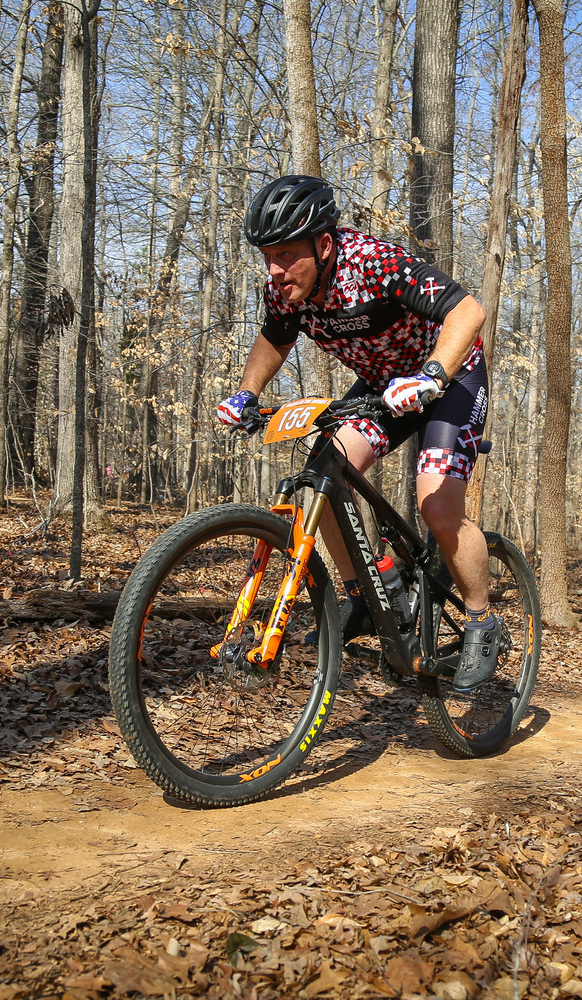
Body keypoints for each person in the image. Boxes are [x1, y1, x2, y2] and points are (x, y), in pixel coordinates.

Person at [216, 175, 503, 691]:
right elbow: (275, 339)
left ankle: (482, 622)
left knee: (437, 505)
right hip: (383, 388)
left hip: (450, 379)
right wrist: (246, 394)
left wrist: (432, 374)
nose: (276, 269)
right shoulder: (285, 291)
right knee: (324, 470)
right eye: (268, 257)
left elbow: (469, 311)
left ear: (324, 245)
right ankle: (366, 595)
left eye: (287, 255)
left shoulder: (374, 264)